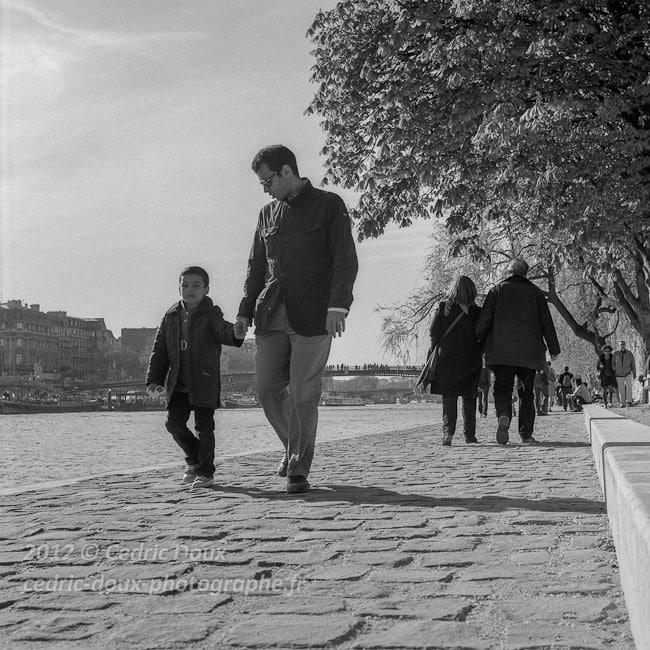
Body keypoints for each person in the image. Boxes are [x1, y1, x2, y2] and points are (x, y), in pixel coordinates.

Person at [236, 145, 358, 494]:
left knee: (304, 393)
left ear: (287, 170)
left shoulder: (329, 204)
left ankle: (297, 469)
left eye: (268, 180)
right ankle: (294, 448)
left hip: (314, 313)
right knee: (266, 390)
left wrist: (338, 306)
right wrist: (245, 311)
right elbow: (255, 268)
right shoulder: (266, 215)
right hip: (271, 314)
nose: (265, 188)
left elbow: (344, 260)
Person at [145, 266, 245, 488]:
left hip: (204, 380)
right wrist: (154, 379)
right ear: (179, 288)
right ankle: (194, 458)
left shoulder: (212, 314)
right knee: (173, 424)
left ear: (206, 289)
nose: (190, 289)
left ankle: (205, 473)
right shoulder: (169, 317)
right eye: (185, 285)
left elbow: (223, 330)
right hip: (178, 382)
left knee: (204, 428)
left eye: (196, 285)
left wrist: (235, 333)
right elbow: (159, 350)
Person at [475, 259, 560, 445]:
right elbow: (547, 322)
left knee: (502, 388)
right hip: (529, 353)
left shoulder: (496, 291)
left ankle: (504, 414)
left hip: (501, 351)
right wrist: (554, 348)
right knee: (526, 392)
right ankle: (526, 434)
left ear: (509, 272)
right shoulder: (536, 293)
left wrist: (478, 340)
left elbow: (485, 319)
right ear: (525, 273)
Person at [427, 276, 482, 446]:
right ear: (472, 291)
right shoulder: (476, 312)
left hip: (447, 358)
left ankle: (448, 433)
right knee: (469, 397)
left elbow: (433, 332)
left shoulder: (443, 307)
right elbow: (482, 334)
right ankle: (470, 436)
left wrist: (435, 350)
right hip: (470, 358)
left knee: (449, 398)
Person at [613, 340, 636, 407]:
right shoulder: (615, 354)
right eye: (621, 344)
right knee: (621, 389)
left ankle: (629, 401)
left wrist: (634, 374)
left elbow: (633, 364)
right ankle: (622, 403)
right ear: (619, 346)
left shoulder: (629, 354)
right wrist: (615, 369)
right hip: (619, 374)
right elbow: (612, 363)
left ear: (625, 345)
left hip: (627, 373)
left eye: (623, 344)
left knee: (629, 386)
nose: (622, 346)